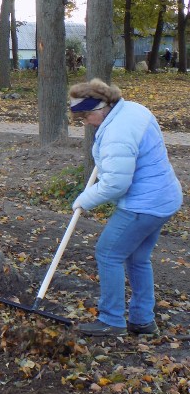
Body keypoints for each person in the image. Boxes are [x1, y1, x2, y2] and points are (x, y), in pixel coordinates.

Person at [69, 78, 183, 337]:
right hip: (164, 198)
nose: (85, 122)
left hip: (145, 204)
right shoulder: (132, 110)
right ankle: (143, 320)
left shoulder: (117, 131)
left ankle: (111, 320)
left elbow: (116, 184)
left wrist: (85, 199)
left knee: (108, 253)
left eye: (85, 116)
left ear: (99, 109)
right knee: (137, 257)